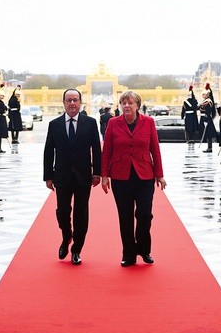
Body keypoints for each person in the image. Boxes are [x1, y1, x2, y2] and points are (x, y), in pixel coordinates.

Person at [101, 91, 166, 267]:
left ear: (137, 105)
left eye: (130, 103)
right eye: (123, 103)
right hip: (120, 177)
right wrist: (104, 176)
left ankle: (144, 250)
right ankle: (129, 253)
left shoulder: (149, 122)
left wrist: (159, 175)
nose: (127, 106)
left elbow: (155, 149)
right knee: (125, 216)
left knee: (145, 215)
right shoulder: (113, 123)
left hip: (144, 175)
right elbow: (106, 150)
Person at [43, 88, 101, 265]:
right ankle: (66, 236)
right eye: (69, 100)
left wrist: (97, 172)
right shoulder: (54, 124)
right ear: (63, 103)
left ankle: (77, 249)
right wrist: (48, 176)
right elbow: (48, 151)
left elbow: (97, 150)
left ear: (80, 102)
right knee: (62, 211)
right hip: (62, 175)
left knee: (81, 213)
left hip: (83, 176)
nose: (72, 103)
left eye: (75, 100)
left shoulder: (90, 123)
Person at [199, 88, 217, 153]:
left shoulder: (208, 101)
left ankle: (210, 148)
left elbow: (208, 111)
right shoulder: (204, 101)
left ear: (207, 94)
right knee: (206, 134)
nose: (202, 95)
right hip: (203, 118)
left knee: (208, 134)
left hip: (206, 118)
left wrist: (206, 119)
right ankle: (209, 147)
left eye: (203, 94)